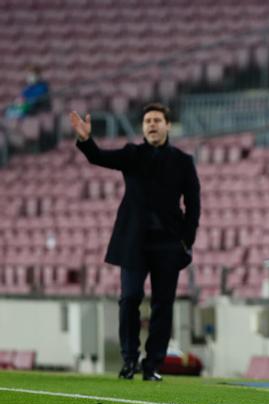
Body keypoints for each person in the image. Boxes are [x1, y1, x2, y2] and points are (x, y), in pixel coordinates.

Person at [70, 103, 200, 381]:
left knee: (163, 305)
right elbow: (98, 157)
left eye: (157, 120)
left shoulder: (183, 161)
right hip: (133, 242)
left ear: (167, 125)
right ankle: (130, 359)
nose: (151, 125)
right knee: (129, 298)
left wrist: (186, 240)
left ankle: (152, 364)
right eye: (147, 121)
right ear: (143, 128)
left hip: (168, 244)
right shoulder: (132, 154)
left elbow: (194, 204)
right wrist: (85, 139)